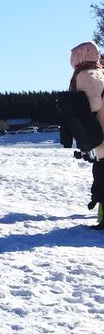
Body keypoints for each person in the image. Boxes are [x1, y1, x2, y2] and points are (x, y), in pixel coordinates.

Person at [70, 41, 104, 227]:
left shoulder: (86, 74)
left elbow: (93, 105)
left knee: (102, 174)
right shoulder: (99, 71)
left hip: (100, 131)